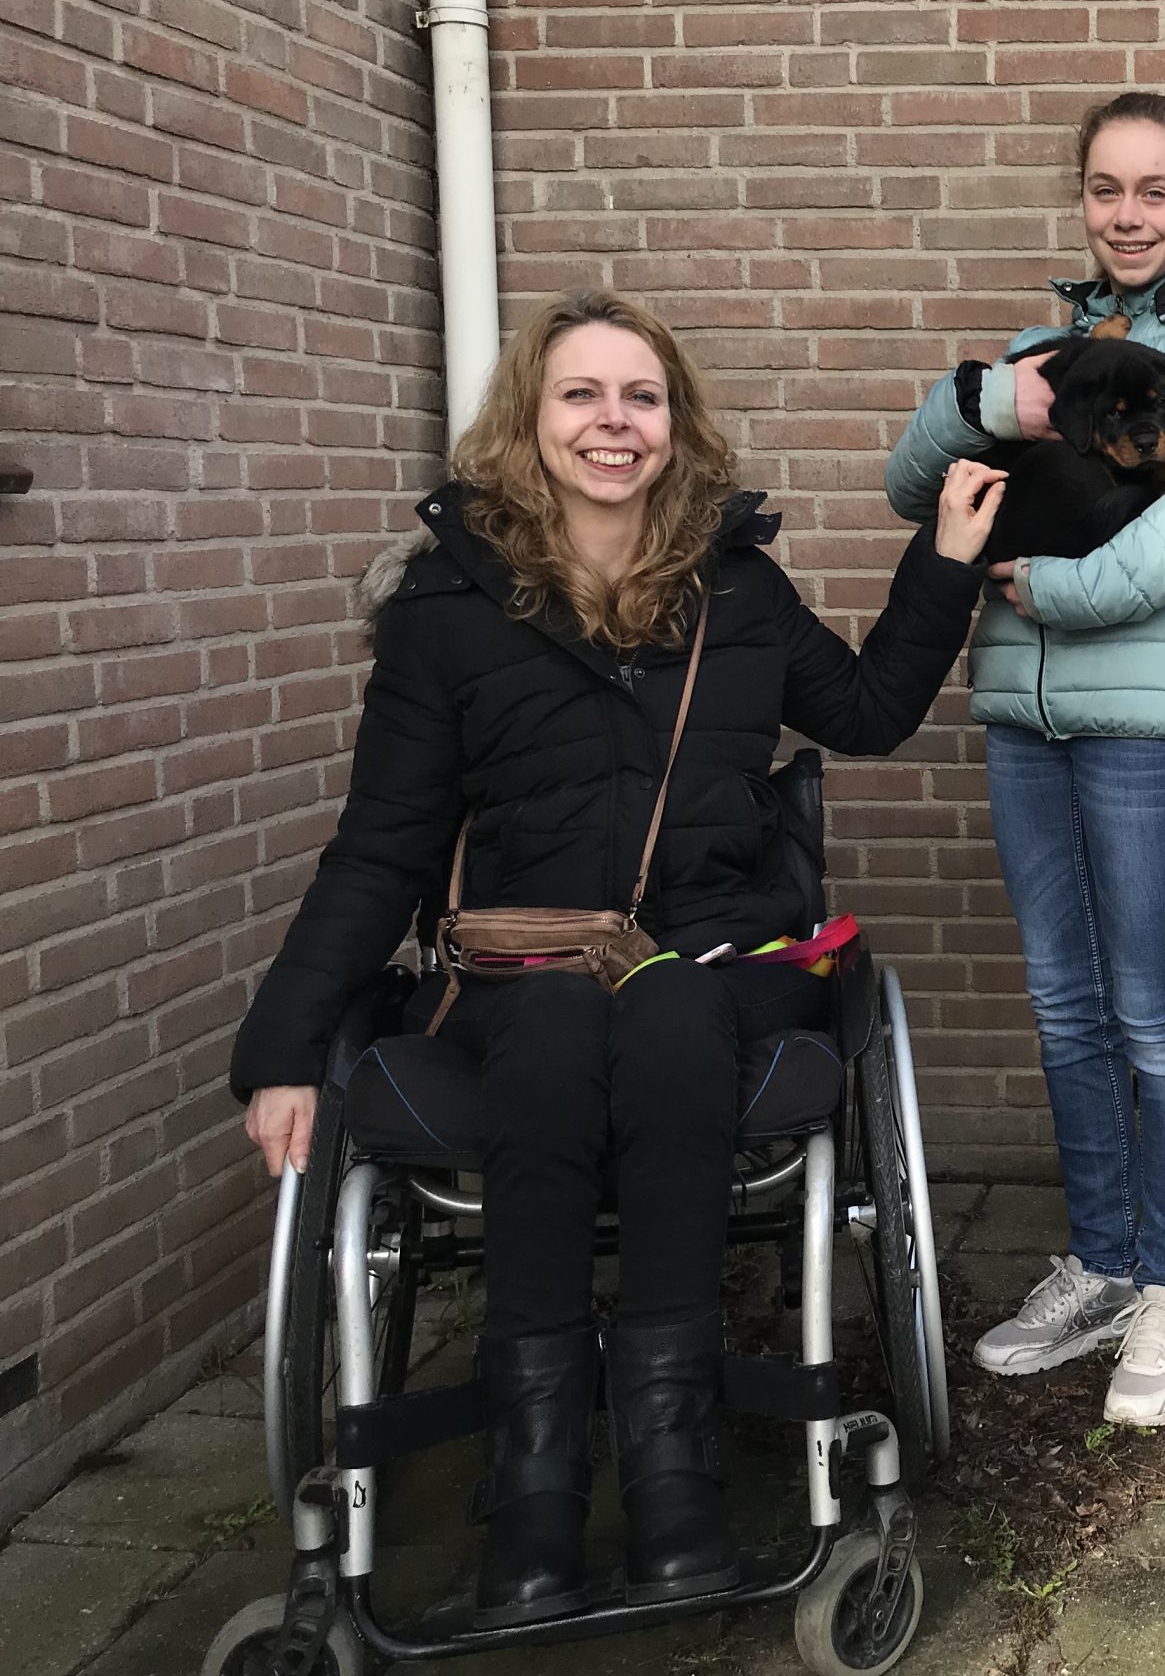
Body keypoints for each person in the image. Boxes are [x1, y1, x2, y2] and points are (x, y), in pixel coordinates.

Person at [231, 290, 997, 1628]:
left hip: (719, 954)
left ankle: (670, 1470)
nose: (613, 422)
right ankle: (534, 1495)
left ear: (674, 423)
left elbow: (870, 711)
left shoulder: (737, 591)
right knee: (554, 1028)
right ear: (529, 420)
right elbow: (381, 847)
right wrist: (285, 1046)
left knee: (671, 1011)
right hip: (519, 970)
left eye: (641, 397)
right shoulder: (444, 611)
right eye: (581, 394)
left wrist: (944, 560)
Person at [884, 92, 1165, 1428]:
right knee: (1065, 1005)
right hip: (1024, 720)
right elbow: (911, 486)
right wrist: (977, 398)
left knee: (1151, 1013)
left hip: (1146, 726)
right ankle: (1104, 1261)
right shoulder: (1049, 346)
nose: (1129, 216)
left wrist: (1066, 591)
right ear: (1081, 198)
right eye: (1106, 190)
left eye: (1154, 190)